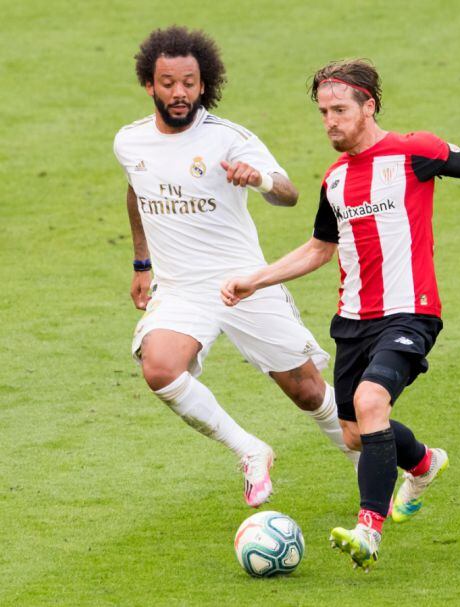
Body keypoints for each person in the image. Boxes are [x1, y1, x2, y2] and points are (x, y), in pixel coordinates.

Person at [220, 58, 460, 571]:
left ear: (368, 106)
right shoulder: (333, 180)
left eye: (339, 110)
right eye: (323, 112)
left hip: (409, 313)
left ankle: (368, 530)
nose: (330, 121)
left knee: (372, 400)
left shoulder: (413, 151)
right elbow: (318, 249)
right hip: (353, 321)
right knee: (355, 430)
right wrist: (254, 279)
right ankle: (423, 462)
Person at [113, 26, 357, 509]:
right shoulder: (130, 142)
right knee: (160, 368)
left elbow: (287, 193)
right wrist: (142, 261)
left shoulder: (228, 139)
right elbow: (136, 190)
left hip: (242, 282)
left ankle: (364, 464)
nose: (179, 93)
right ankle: (250, 450)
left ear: (204, 84)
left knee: (307, 392)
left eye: (189, 82)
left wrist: (260, 177)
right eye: (168, 83)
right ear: (149, 85)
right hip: (180, 288)